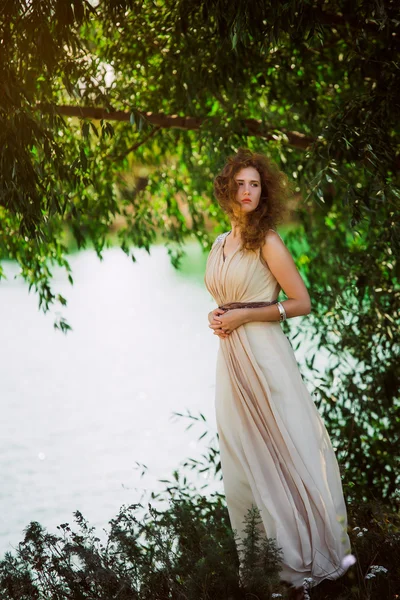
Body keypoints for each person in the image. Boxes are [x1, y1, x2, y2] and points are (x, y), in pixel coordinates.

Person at [204, 148, 351, 599]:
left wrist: (244, 316)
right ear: (227, 188)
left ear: (262, 192)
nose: (247, 191)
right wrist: (218, 315)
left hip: (265, 359)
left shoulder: (266, 240)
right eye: (240, 183)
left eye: (255, 184)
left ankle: (303, 561)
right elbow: (228, 297)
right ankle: (266, 563)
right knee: (246, 458)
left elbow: (302, 302)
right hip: (231, 363)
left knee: (281, 452)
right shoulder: (219, 243)